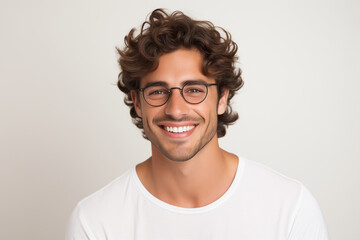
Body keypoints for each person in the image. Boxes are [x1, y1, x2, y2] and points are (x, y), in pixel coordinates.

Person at [65, 9, 328, 240]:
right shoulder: (95, 221)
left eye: (194, 90)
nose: (176, 110)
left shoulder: (290, 207)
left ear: (222, 97)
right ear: (137, 102)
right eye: (158, 91)